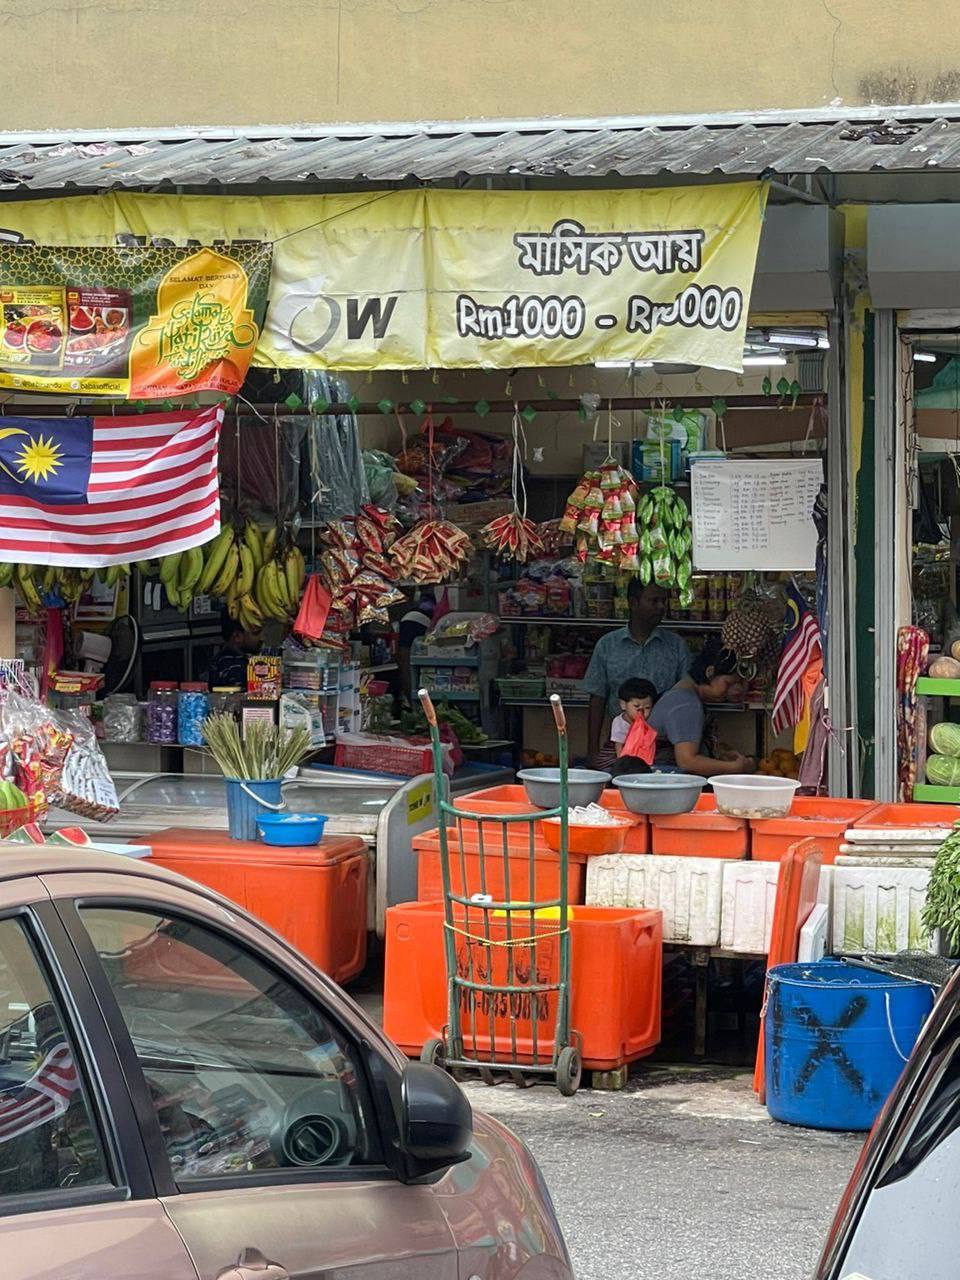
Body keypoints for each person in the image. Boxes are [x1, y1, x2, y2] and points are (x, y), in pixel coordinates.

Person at [584, 581, 690, 767]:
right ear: (633, 603)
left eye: (663, 601)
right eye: (654, 601)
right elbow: (597, 698)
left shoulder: (676, 646)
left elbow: (687, 698)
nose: (661, 607)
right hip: (620, 744)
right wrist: (592, 750)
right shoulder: (608, 645)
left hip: (663, 746)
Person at [646, 637, 755, 778]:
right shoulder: (686, 704)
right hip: (667, 782)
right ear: (710, 672)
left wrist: (720, 754)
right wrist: (735, 767)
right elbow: (688, 762)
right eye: (729, 683)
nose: (735, 690)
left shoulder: (680, 694)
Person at [207, 613, 259, 688]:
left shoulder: (222, 659)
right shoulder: (232, 665)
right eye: (256, 633)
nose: (261, 638)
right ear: (237, 636)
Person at [610, 677, 656, 757]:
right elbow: (619, 746)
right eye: (636, 706)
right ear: (623, 705)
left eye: (647, 707)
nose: (641, 711)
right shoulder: (619, 723)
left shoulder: (650, 721)